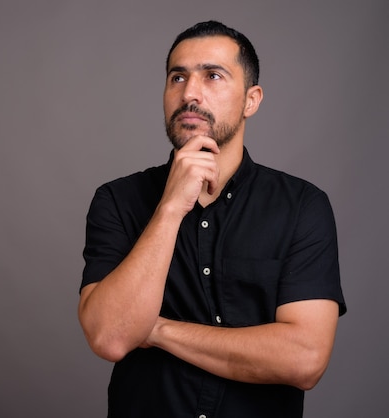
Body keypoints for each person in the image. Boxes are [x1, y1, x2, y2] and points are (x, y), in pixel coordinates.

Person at [78, 20, 346, 418]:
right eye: (177, 77)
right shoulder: (117, 200)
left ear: (251, 100)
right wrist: (169, 209)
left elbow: (304, 359)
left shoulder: (302, 206)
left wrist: (156, 330)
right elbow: (111, 338)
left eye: (213, 76)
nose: (189, 93)